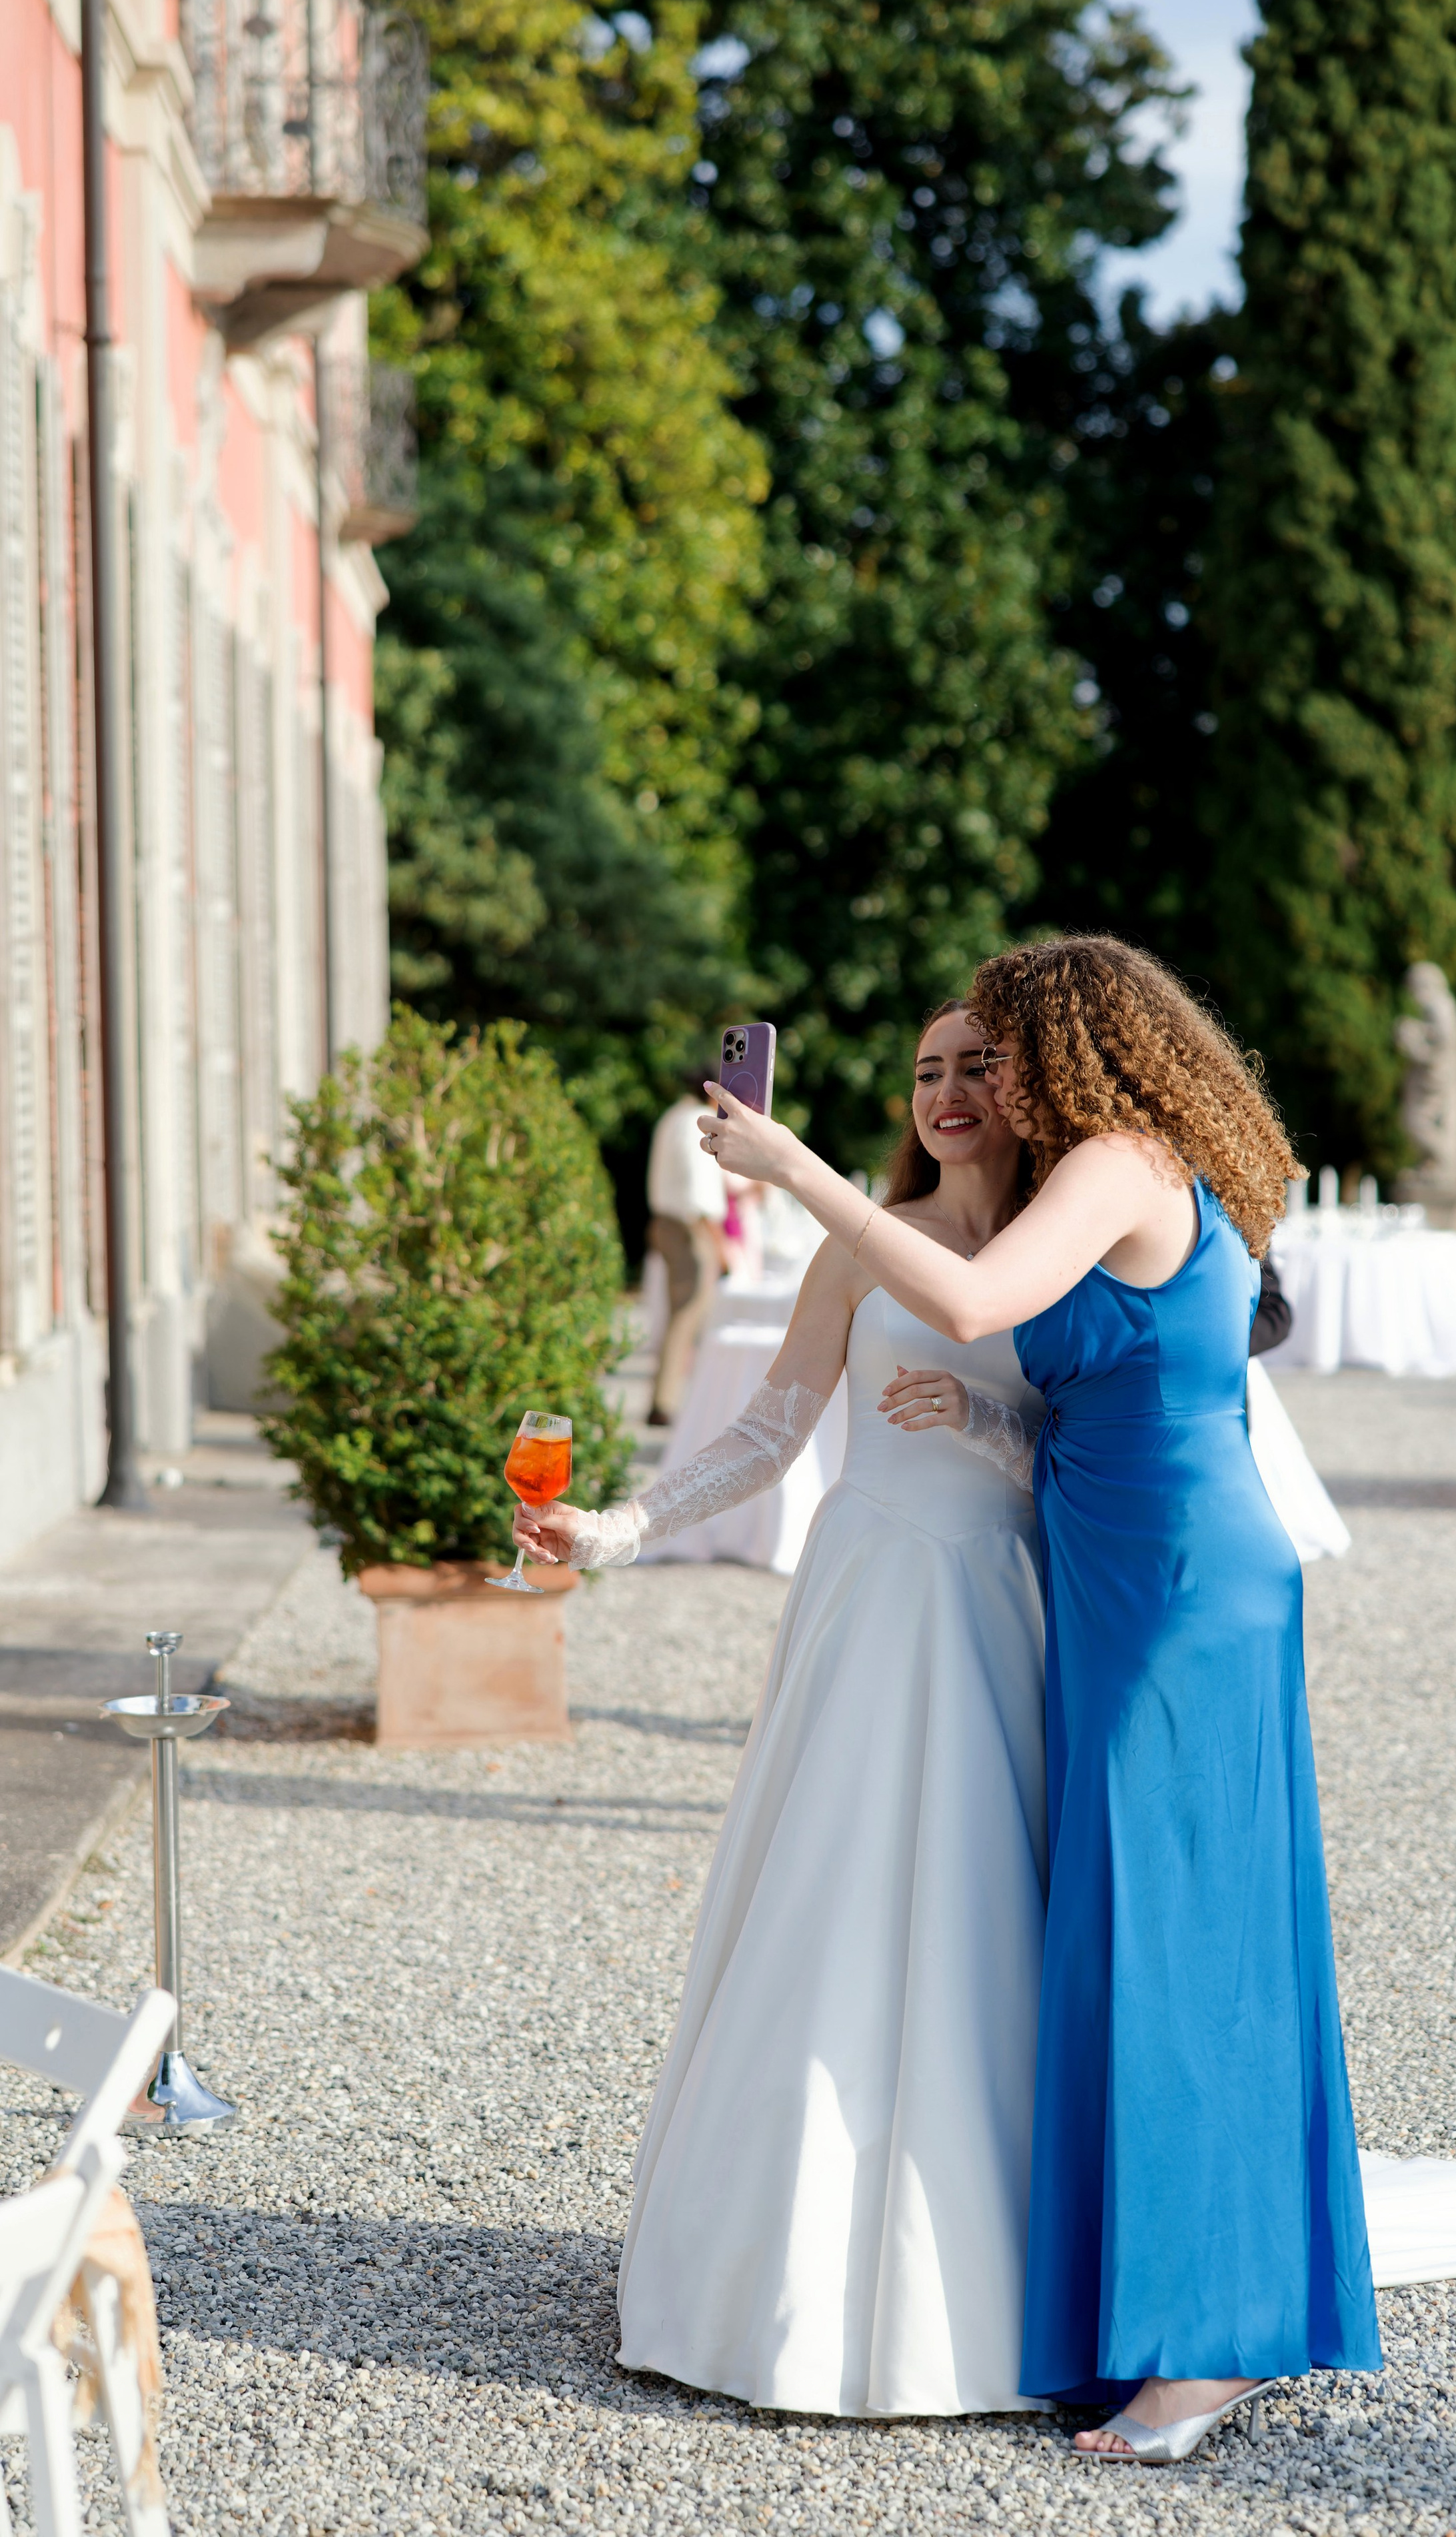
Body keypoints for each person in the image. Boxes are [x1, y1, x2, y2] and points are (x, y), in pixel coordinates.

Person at [690, 936, 1382, 2460]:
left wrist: (791, 1167)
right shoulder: (1117, 1168)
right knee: (1146, 1941)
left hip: (1174, 1584)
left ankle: (1202, 2350)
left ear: (1066, 1047)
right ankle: (1170, 2301)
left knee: (1173, 1948)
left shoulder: (1119, 1162)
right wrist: (980, 1427)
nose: (981, 1080)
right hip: (1122, 1573)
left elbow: (965, 1297)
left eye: (999, 1052)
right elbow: (1075, 1381)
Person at [512, 1004, 1052, 2416]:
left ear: (1026, 1086)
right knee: (829, 1893)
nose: (946, 1090)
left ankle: (980, 2274)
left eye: (976, 1066)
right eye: (925, 1071)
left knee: (982, 1910)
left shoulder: (1058, 1246)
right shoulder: (861, 1239)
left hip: (999, 1603)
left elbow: (1099, 1449)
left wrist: (988, 1425)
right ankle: (774, 2269)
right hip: (866, 1595)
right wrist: (619, 1530)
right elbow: (769, 1429)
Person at [645, 1076, 729, 1425]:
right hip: (689, 1227)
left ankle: (669, 1398)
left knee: (681, 1313)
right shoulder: (695, 1120)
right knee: (688, 1314)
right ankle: (667, 1402)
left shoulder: (672, 1116)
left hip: (668, 1222)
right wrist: (721, 1245)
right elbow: (699, 1194)